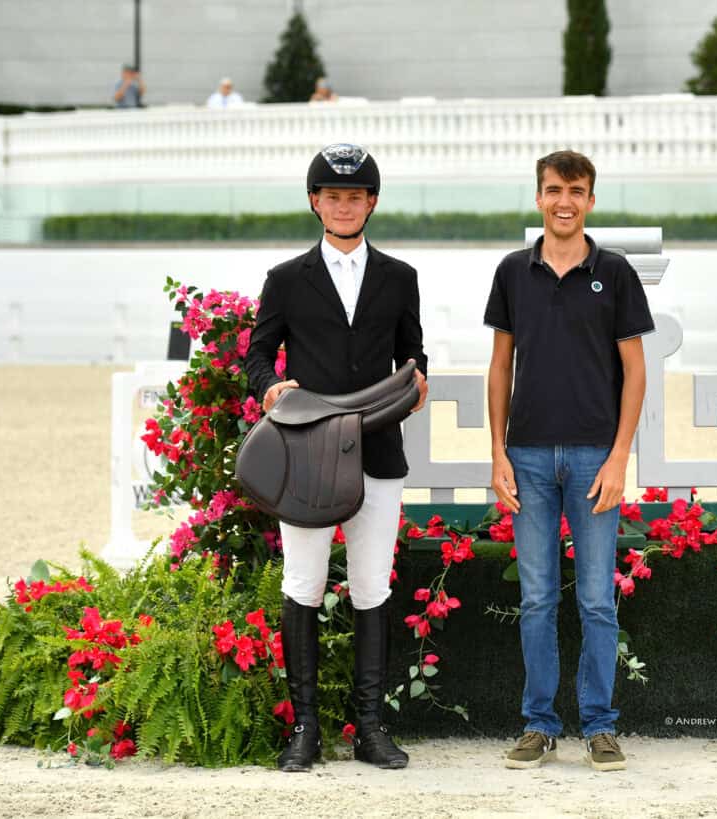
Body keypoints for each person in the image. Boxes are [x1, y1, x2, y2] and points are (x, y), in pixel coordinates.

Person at [245, 143, 428, 773]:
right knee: (304, 584)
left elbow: (413, 353)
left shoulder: (400, 277)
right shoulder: (286, 280)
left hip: (377, 449)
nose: (343, 205)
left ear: (371, 202)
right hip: (307, 453)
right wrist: (269, 384)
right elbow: (259, 354)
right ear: (314, 203)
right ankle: (306, 729)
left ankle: (371, 728)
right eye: (332, 196)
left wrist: (419, 380)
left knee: (372, 587)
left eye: (355, 196)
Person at [484, 150, 654, 772]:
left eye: (576, 191)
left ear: (589, 200)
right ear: (539, 198)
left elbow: (634, 374)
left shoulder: (615, 272)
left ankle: (601, 727)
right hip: (526, 456)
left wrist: (618, 458)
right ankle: (538, 724)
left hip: (592, 458)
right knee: (535, 599)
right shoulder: (511, 272)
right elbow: (501, 366)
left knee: (596, 601)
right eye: (554, 190)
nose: (564, 201)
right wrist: (497, 451)